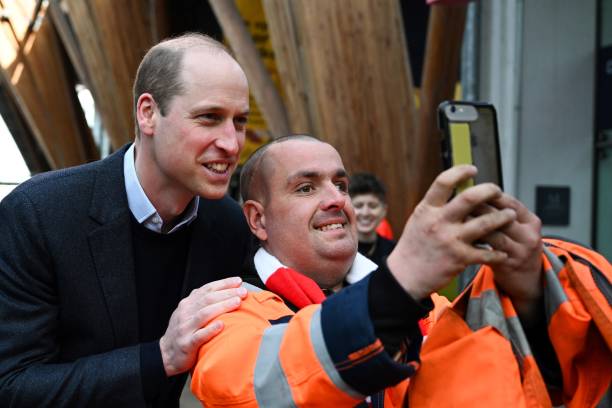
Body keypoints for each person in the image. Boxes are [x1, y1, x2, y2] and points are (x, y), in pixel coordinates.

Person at [190, 134, 570, 406]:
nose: (337, 199)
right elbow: (256, 390)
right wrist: (398, 285)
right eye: (306, 188)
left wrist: (529, 298)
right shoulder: (226, 312)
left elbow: (515, 386)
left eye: (341, 184)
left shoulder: (428, 309)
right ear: (258, 220)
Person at [0, 33, 254, 407]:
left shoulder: (229, 225)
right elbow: (12, 386)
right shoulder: (39, 214)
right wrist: (160, 358)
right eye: (209, 118)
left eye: (240, 121)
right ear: (148, 113)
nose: (232, 144)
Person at [349, 172, 396, 267]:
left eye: (373, 206)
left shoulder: (394, 252)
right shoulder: (339, 251)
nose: (365, 213)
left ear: (384, 210)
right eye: (358, 206)